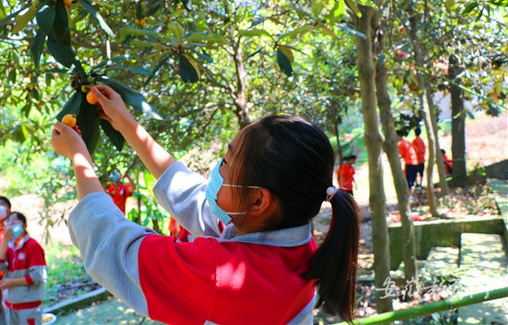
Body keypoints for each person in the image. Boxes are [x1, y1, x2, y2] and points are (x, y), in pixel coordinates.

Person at [51, 85, 361, 323]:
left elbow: (120, 251)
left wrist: (79, 157)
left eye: (226, 161)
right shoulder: (293, 240)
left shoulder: (225, 276)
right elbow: (191, 197)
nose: (218, 170)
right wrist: (125, 123)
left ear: (258, 200)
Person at [0, 212, 47, 325]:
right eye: (8, 223)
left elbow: (38, 276)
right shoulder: (8, 246)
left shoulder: (32, 246)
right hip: (9, 305)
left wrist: (12, 282)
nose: (10, 225)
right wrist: (5, 240)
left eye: (14, 222)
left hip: (28, 307)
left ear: (24, 226)